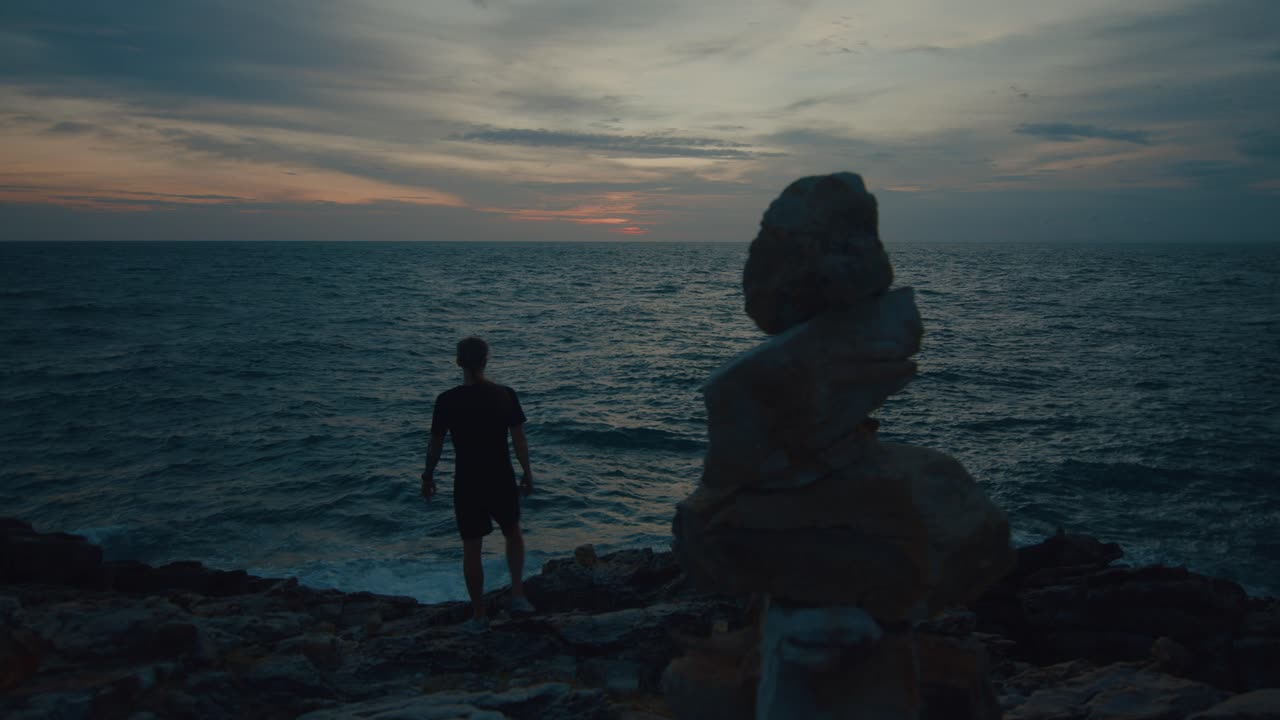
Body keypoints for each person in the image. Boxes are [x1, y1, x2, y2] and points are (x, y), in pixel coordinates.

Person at [422, 337, 535, 633]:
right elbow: (519, 440)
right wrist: (527, 472)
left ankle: (479, 615)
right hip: (500, 475)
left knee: (472, 547)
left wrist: (427, 476)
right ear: (486, 360)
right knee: (513, 532)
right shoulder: (505, 395)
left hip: (468, 481)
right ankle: (519, 596)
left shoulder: (446, 401)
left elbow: (435, 446)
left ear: (459, 362)